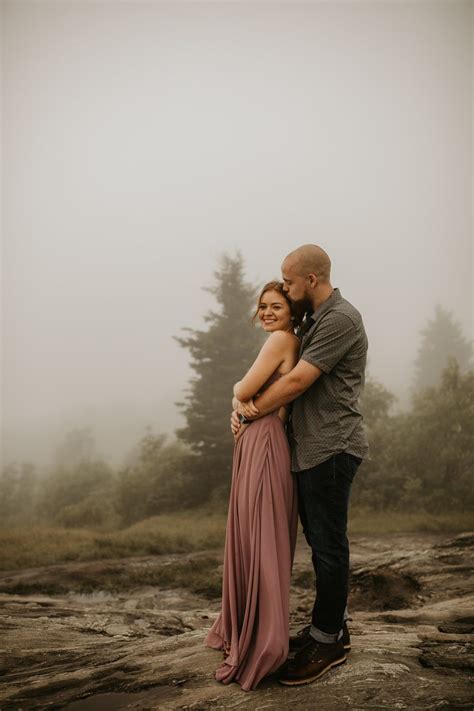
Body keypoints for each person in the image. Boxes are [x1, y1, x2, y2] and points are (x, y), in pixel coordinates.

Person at [231, 244, 369, 686]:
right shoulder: (314, 320)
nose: (285, 290)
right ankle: (328, 629)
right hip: (309, 449)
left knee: (329, 546)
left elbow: (296, 381)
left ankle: (328, 641)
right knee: (319, 541)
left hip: (332, 447)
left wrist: (249, 409)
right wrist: (246, 407)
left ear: (311, 279)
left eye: (288, 282)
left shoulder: (340, 318)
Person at [204, 280, 301, 691]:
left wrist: (236, 401)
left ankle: (264, 640)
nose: (266, 312)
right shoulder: (292, 341)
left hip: (263, 444)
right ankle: (252, 626)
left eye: (276, 305)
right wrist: (240, 413)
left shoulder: (281, 340)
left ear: (291, 311)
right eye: (262, 306)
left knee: (258, 536)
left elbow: (243, 389)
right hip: (261, 438)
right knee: (256, 536)